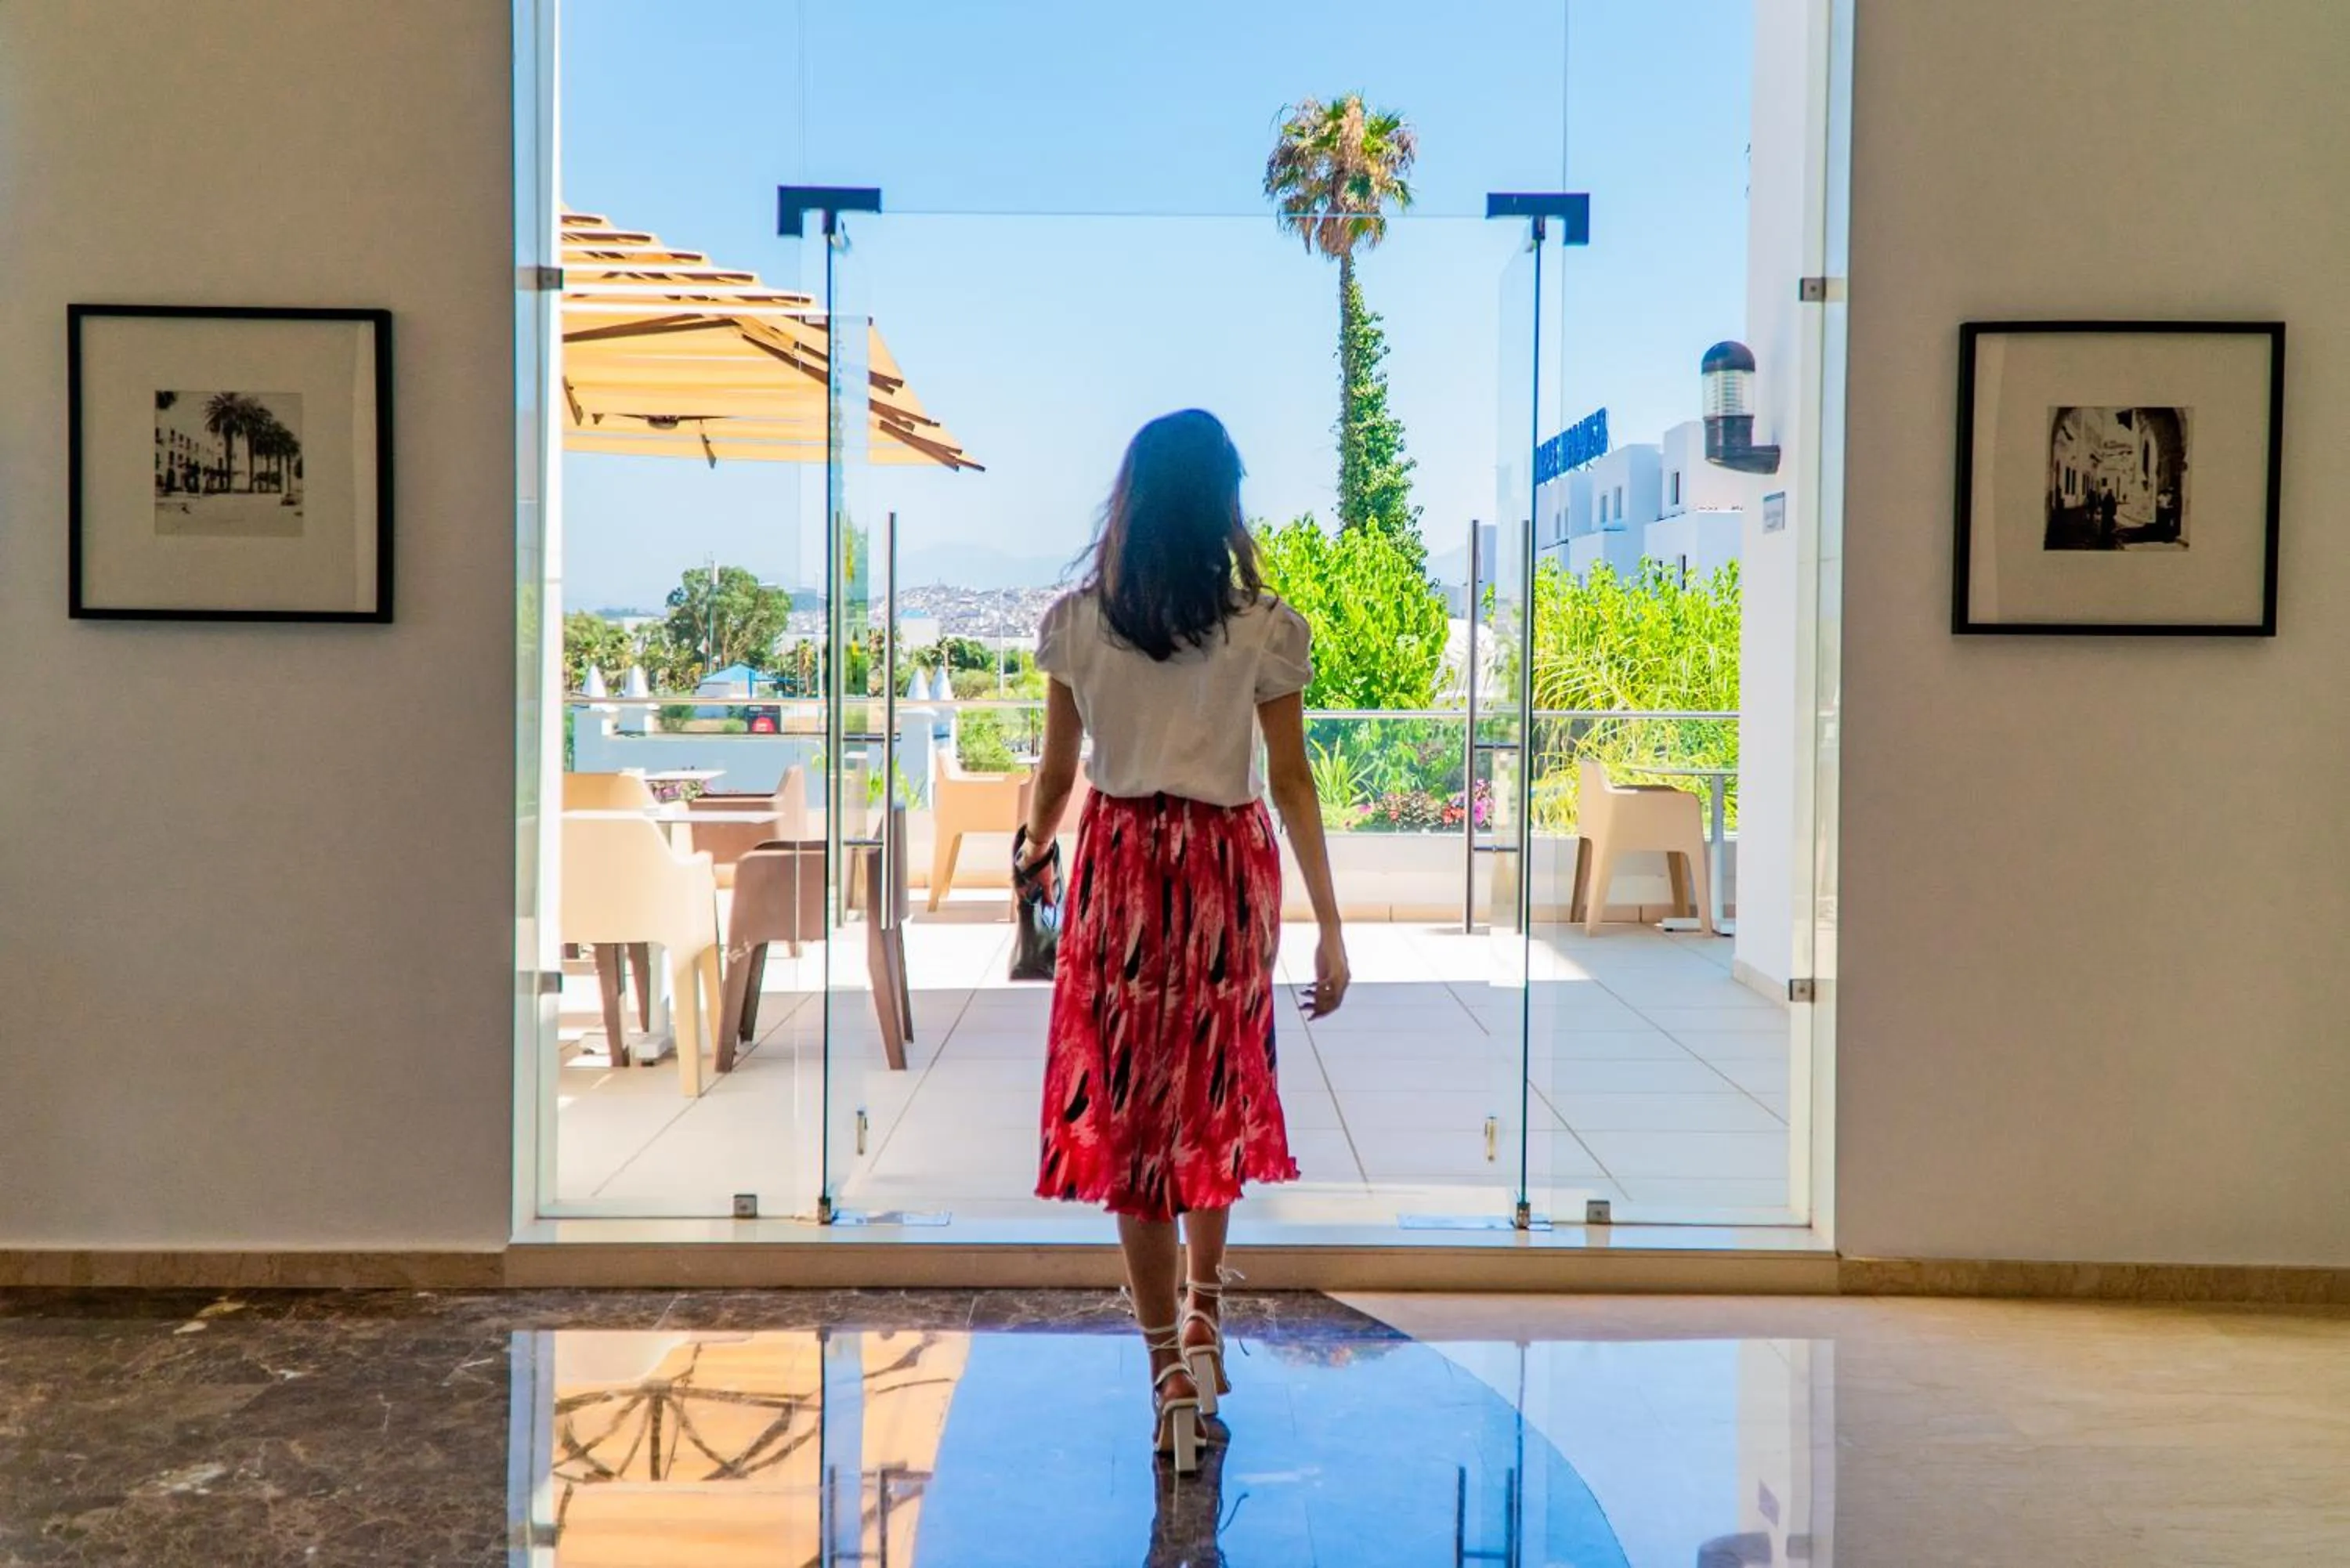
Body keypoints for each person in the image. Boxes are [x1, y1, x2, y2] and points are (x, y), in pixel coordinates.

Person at [1018, 408, 1349, 1475]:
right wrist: (1332, 925)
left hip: (1119, 872)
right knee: (1210, 1097)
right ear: (1222, 505)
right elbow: (1291, 781)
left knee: (1129, 1121)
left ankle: (1165, 1367)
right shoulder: (1265, 626)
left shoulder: (1077, 623)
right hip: (1220, 876)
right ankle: (1205, 1313)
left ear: (1131, 501)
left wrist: (1030, 847)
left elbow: (1059, 779)